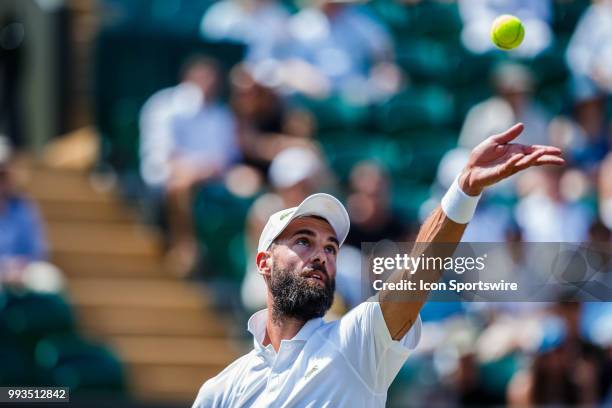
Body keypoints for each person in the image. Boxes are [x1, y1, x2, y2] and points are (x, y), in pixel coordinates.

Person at [192, 123, 564, 407]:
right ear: (264, 263)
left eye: (332, 248)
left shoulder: (354, 344)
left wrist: (464, 190)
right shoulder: (220, 391)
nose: (321, 254)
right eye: (303, 241)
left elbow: (419, 270)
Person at [139, 56, 240, 274]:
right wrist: (198, 169)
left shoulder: (222, 116)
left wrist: (207, 170)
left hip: (213, 176)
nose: (208, 84)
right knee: (181, 184)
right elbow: (165, 157)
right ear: (188, 77)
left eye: (212, 79)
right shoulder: (164, 105)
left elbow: (226, 159)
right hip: (166, 175)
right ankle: (185, 247)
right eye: (203, 77)